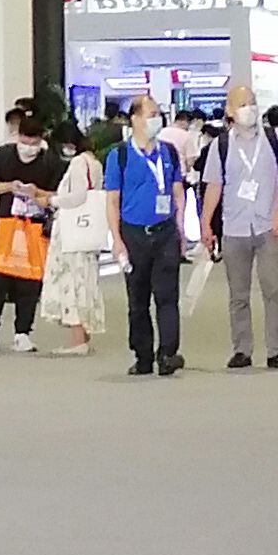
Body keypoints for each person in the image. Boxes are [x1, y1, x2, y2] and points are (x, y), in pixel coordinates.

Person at [202, 84, 278, 372]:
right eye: (243, 104)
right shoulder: (221, 145)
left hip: (269, 225)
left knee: (273, 289)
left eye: (252, 102)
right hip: (234, 227)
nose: (249, 108)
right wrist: (206, 222)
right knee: (238, 295)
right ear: (230, 110)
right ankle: (241, 349)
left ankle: (276, 350)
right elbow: (213, 186)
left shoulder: (274, 139)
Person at [103, 93, 186, 378]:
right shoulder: (120, 156)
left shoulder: (169, 152)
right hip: (134, 233)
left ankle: (168, 353)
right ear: (135, 119)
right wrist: (116, 239)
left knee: (167, 296)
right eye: (151, 115)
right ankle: (143, 356)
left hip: (165, 232)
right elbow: (112, 201)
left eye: (158, 114)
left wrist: (181, 228)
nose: (156, 120)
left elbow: (177, 192)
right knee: (138, 300)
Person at [0, 103, 55, 352]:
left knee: (30, 281)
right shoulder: (4, 154)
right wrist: (9, 186)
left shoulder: (49, 161)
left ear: (41, 140)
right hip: (6, 225)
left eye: (33, 142)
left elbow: (56, 194)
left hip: (35, 226)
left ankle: (23, 332)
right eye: (24, 140)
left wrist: (36, 193)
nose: (28, 146)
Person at [37, 132, 108, 355]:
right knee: (85, 281)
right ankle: (83, 334)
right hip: (87, 230)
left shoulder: (78, 163)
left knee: (71, 280)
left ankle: (77, 339)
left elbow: (78, 196)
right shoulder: (94, 163)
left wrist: (51, 200)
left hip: (72, 231)